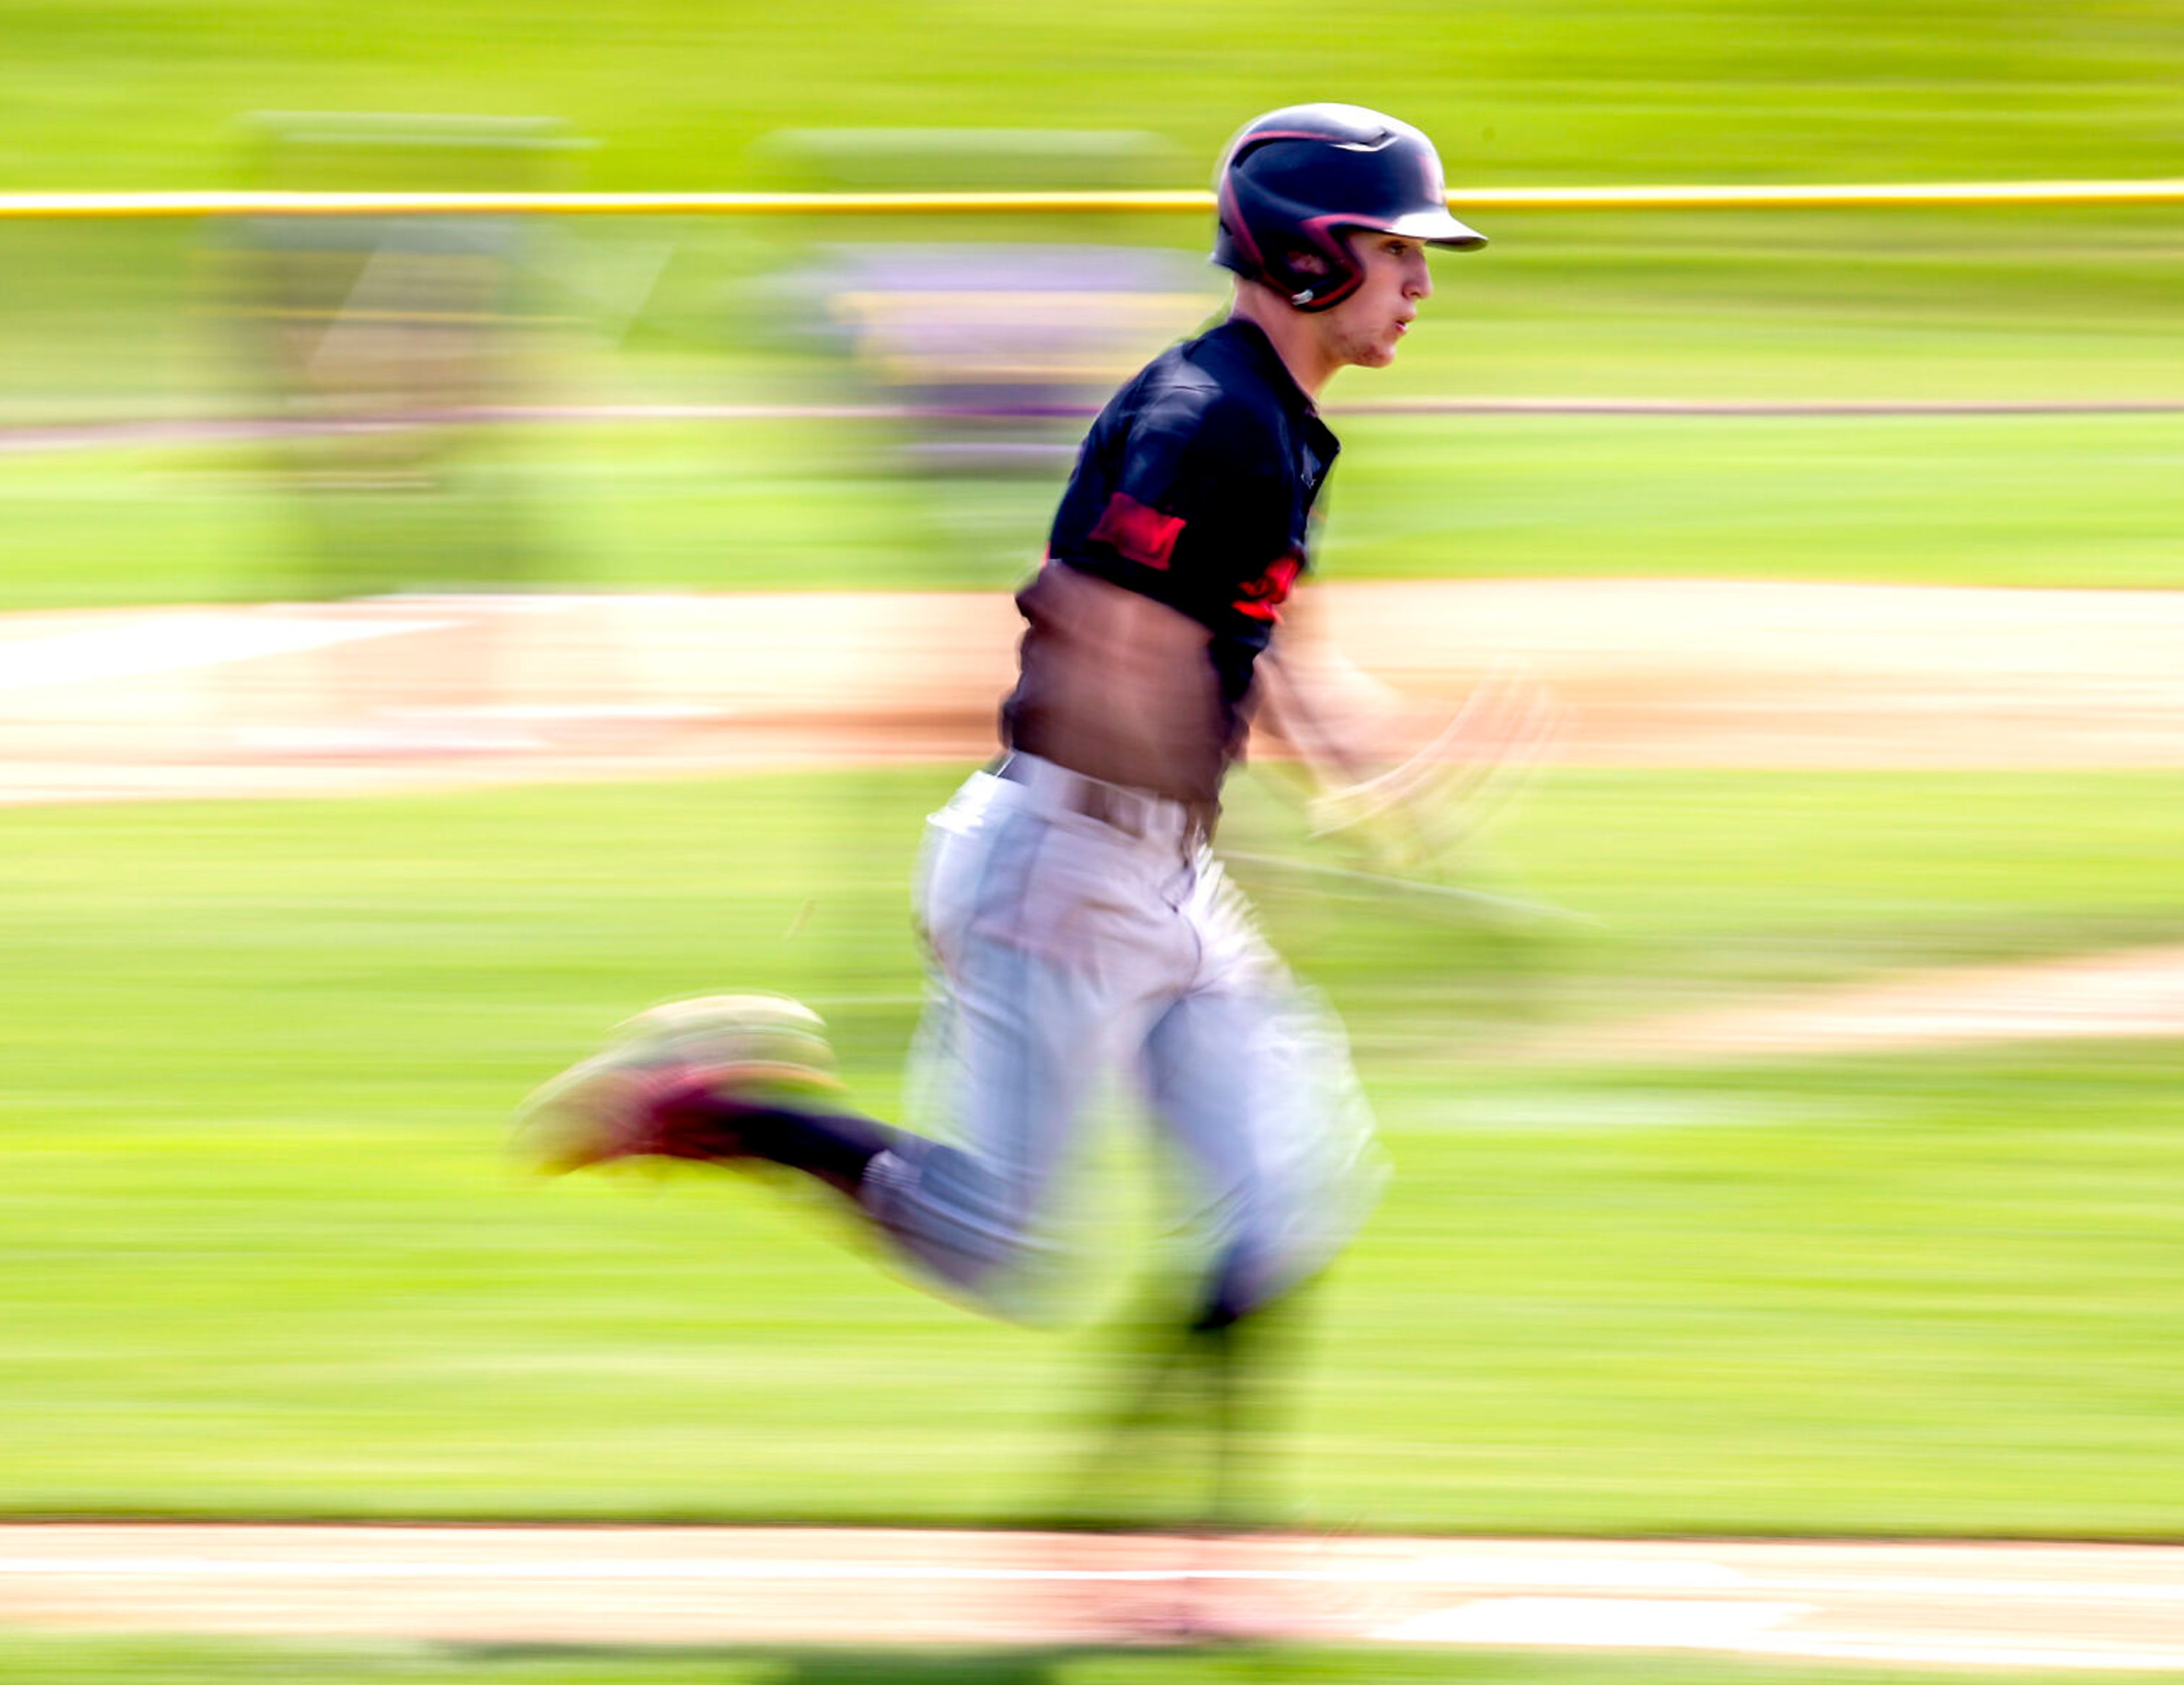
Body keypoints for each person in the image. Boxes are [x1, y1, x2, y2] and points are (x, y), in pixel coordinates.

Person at [519, 104, 1485, 1496]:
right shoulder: (1201, 415)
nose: (1424, 284)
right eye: (1401, 252)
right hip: (1063, 870)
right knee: (1000, 1246)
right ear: (1317, 255)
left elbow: (1251, 631)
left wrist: (1362, 768)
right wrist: (1259, 839)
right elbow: (1107, 631)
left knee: (1288, 1196)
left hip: (1155, 870)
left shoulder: (1279, 426)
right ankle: (720, 1108)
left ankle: (1175, 1538)